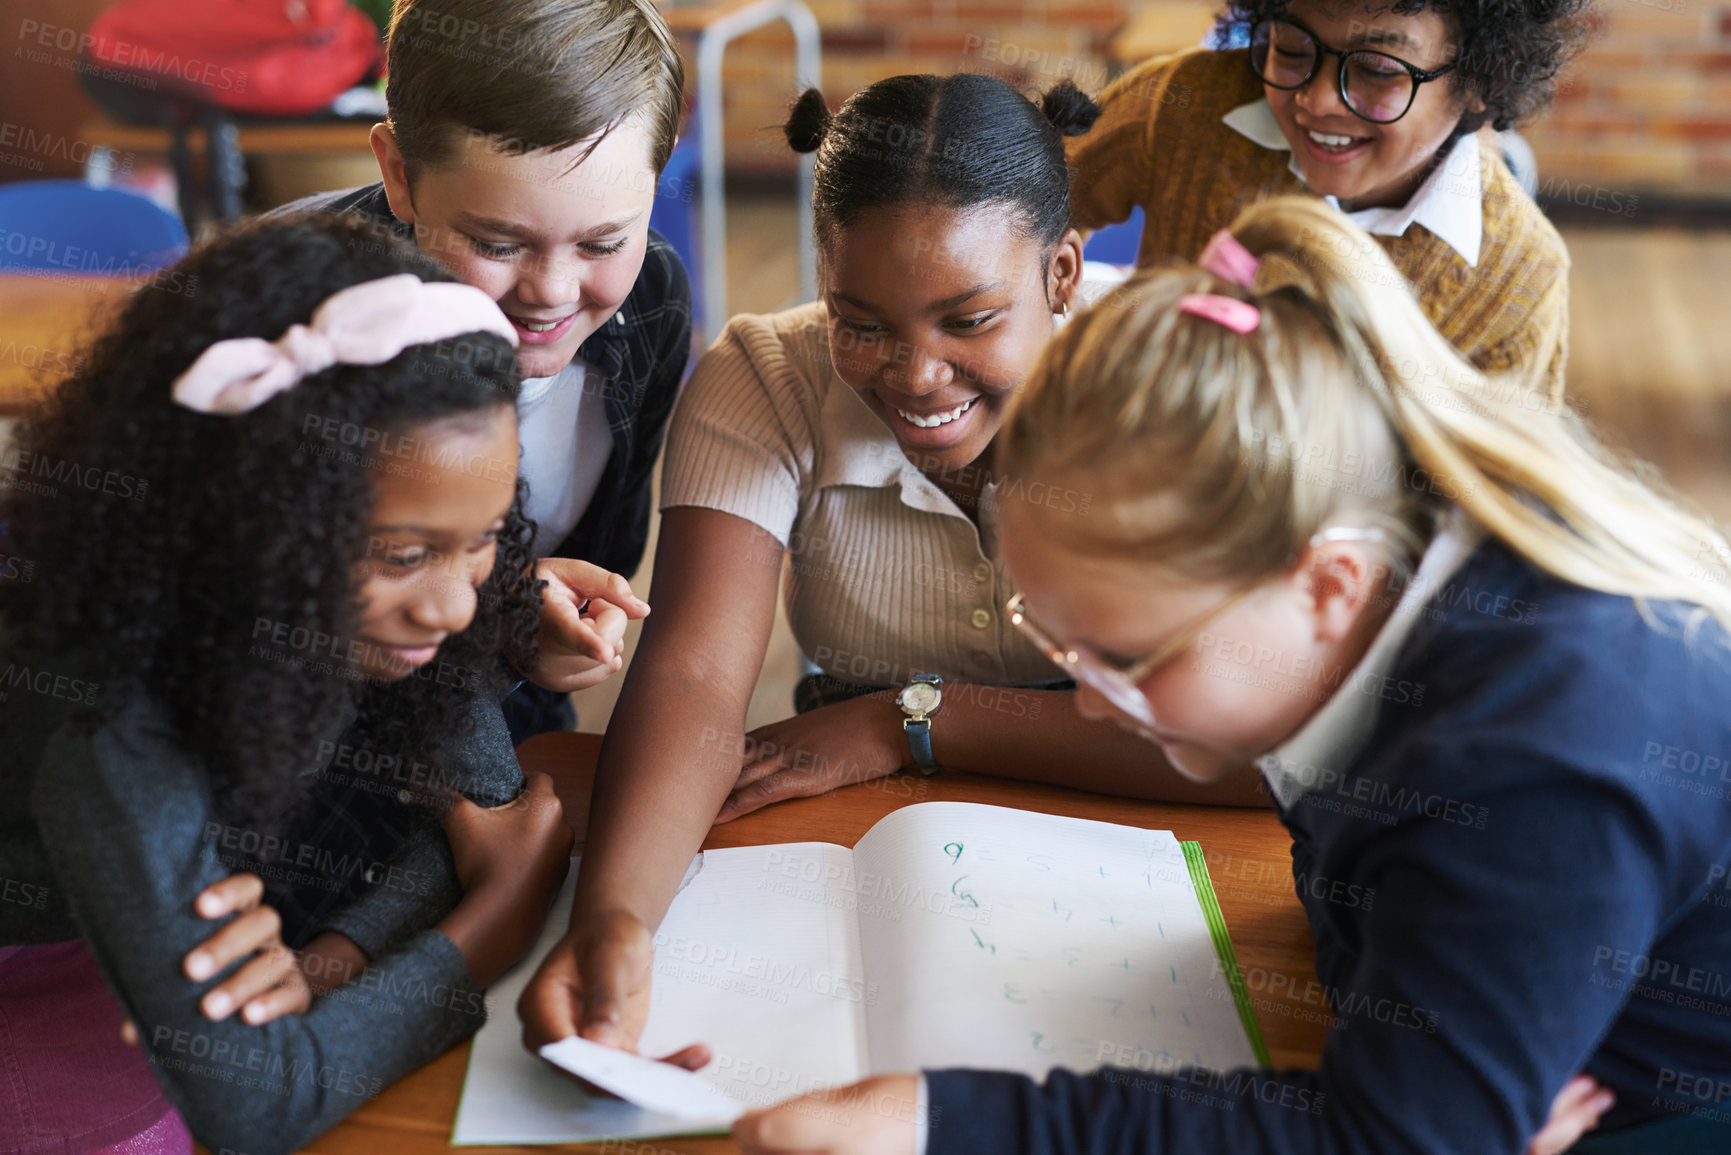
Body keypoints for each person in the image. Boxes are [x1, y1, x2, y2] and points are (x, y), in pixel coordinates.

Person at [731, 197, 1731, 1154]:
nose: (1086, 700)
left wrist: (941, 1125)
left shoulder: (1533, 760)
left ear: (1329, 585)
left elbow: (1386, 1138)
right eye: (1057, 639)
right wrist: (1449, 1087)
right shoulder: (1368, 594)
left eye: (1130, 657)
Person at [515, 71, 1267, 1065]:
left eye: (969, 320)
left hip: (1134, 814)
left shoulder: (1192, 378)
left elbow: (1267, 744)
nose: (914, 376)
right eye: (861, 323)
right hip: (865, 814)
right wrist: (614, 922)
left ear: (1064, 272)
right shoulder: (767, 377)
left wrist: (912, 717)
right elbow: (696, 674)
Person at [0, 216, 574, 1155]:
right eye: (401, 555)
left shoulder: (399, 572)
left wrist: (339, 956)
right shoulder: (108, 731)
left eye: (483, 537)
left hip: (179, 936)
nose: (453, 606)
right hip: (40, 992)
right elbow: (256, 1108)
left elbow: (488, 818)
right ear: (250, 522)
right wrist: (488, 929)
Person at [281, 0, 693, 742]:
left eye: (603, 243)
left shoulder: (653, 299)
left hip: (508, 718)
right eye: (498, 244)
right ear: (400, 174)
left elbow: (592, 560)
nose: (553, 293)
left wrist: (541, 632)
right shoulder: (284, 319)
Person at [1067, 0, 1589, 401]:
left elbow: (1504, 503)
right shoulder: (1191, 104)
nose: (1316, 100)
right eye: (1293, 50)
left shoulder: (1519, 278)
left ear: (1484, 78)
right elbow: (1039, 202)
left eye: (1378, 70)